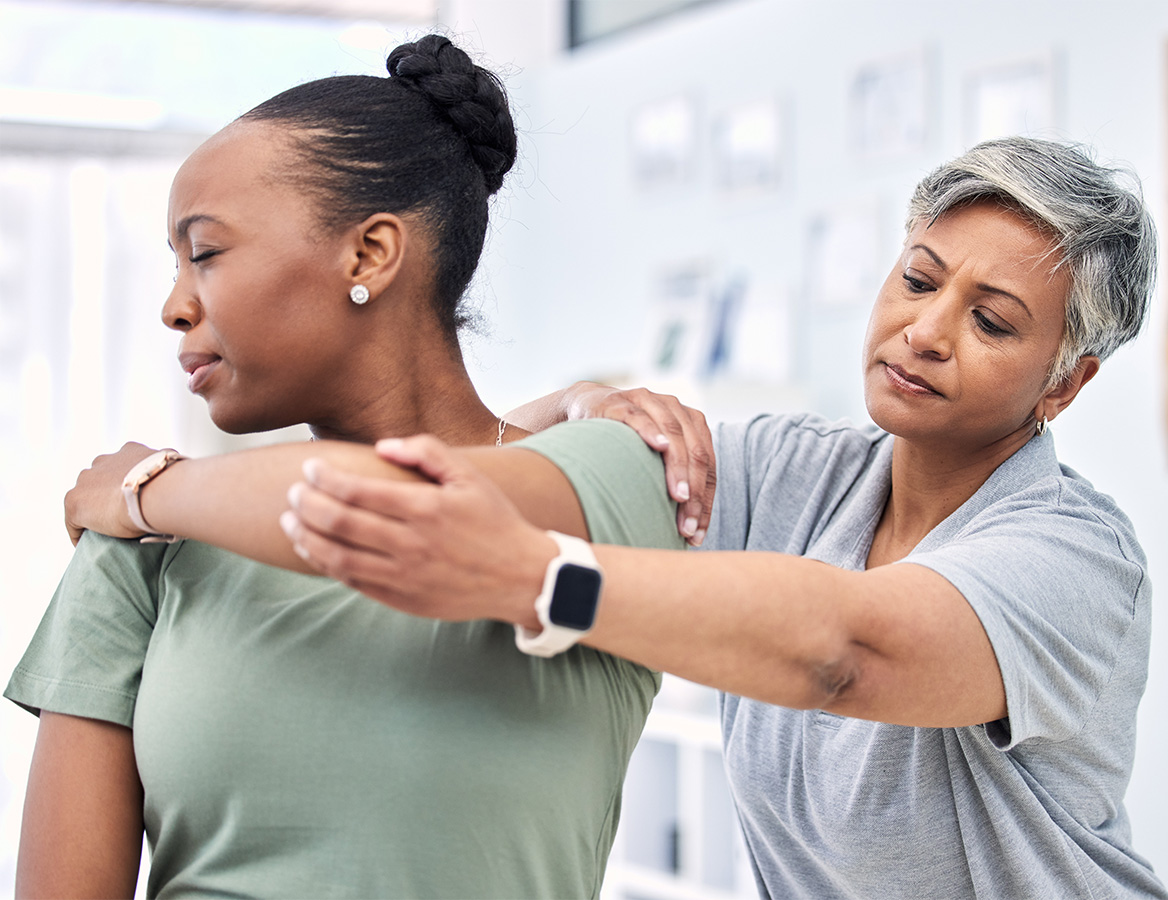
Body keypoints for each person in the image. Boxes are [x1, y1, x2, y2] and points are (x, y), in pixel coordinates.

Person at [72, 137, 1166, 898]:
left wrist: (540, 578)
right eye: (919, 278)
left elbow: (848, 650)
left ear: (1062, 387)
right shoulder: (796, 471)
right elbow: (558, 465)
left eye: (992, 321)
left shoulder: (1073, 555)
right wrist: (585, 408)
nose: (926, 331)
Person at [5, 34, 689, 899]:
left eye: (206, 253)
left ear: (368, 255)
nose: (175, 306)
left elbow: (423, 503)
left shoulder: (608, 486)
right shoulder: (142, 544)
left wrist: (152, 487)